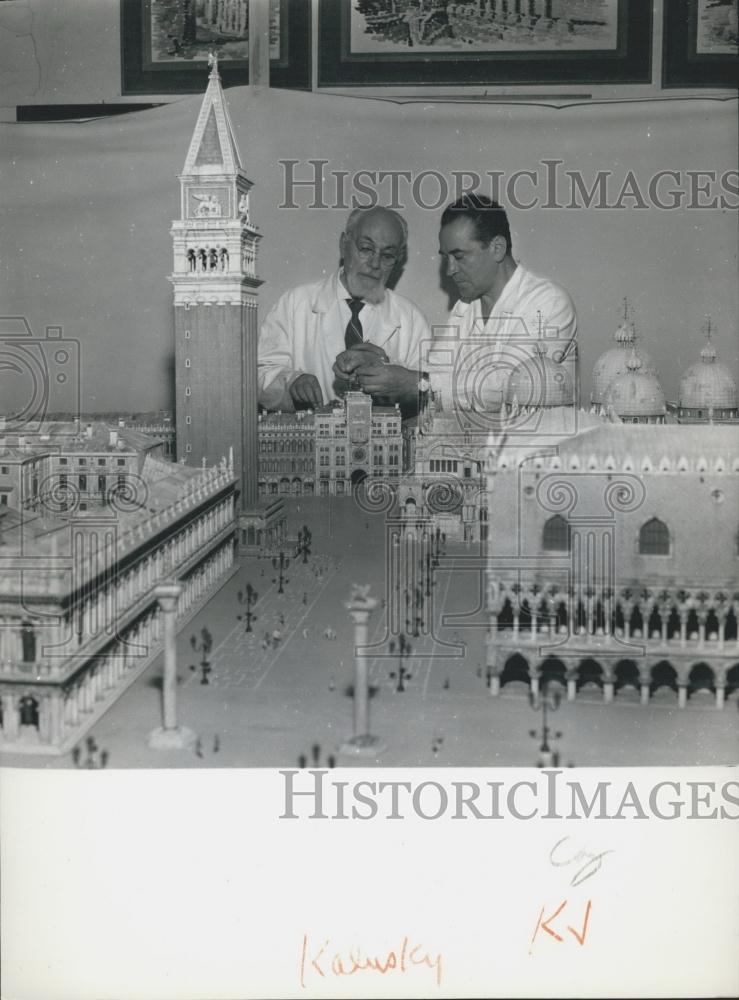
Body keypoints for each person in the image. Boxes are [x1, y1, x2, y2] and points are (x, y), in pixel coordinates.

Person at [258, 206, 431, 412]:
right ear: (344, 245)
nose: (375, 263)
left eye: (387, 255)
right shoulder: (295, 304)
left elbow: (429, 390)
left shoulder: (411, 319)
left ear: (398, 259)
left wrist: (392, 374)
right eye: (366, 249)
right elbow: (261, 373)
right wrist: (292, 381)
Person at [430, 194, 577, 410]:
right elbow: (435, 369)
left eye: (459, 257)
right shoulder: (465, 306)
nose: (450, 270)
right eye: (446, 258)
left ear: (497, 248)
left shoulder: (549, 302)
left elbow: (511, 385)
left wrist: (421, 384)